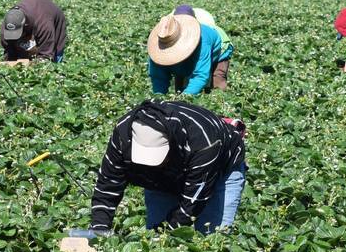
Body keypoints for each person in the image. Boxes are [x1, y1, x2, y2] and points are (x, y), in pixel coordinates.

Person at [73, 99, 247, 236]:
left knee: (212, 236)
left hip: (219, 171)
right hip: (162, 178)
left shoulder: (203, 142)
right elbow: (108, 185)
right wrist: (99, 228)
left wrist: (170, 232)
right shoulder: (123, 135)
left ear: (170, 144)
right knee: (157, 236)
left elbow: (193, 202)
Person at [147, 12, 228, 94]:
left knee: (217, 82)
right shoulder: (158, 48)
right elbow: (158, 78)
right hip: (190, 56)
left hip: (218, 49)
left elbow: (201, 76)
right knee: (180, 88)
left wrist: (185, 97)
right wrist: (159, 99)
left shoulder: (202, 41)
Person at [0, 0, 67, 62]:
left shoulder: (43, 24)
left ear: (25, 25)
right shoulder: (8, 24)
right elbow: (8, 52)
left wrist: (39, 63)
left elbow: (46, 56)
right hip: (32, 14)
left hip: (49, 14)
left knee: (54, 55)